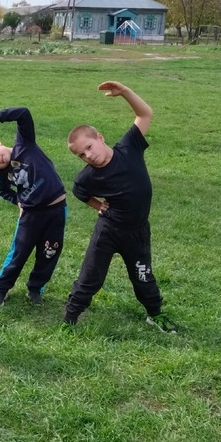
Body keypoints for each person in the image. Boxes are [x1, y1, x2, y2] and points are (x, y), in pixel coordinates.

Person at [63, 80, 177, 332]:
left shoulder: (129, 147)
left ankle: (155, 314)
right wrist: (97, 205)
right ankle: (71, 315)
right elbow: (79, 191)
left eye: (89, 147)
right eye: (81, 155)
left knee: (143, 275)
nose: (88, 156)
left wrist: (125, 92)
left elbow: (144, 113)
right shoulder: (87, 176)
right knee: (91, 276)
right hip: (109, 231)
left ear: (100, 138)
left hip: (137, 231)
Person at [0, 105, 66, 305]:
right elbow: (2, 190)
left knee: (50, 251)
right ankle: (1, 288)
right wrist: (19, 201)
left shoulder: (25, 144)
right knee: (19, 252)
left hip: (56, 209)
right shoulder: (2, 175)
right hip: (31, 216)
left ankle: (35, 288)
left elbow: (23, 113)